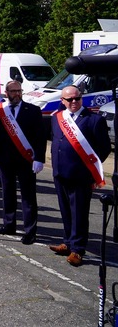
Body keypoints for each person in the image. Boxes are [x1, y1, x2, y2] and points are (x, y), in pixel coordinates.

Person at [48, 85, 111, 267]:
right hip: (60, 173)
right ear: (63, 101)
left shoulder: (94, 120)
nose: (74, 102)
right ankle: (67, 242)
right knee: (66, 210)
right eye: (69, 99)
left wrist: (92, 170)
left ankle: (77, 249)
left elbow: (104, 148)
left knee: (79, 213)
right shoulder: (58, 118)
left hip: (81, 175)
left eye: (77, 98)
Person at [0, 81, 45, 244]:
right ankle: (9, 224)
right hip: (5, 159)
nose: (17, 94)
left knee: (28, 196)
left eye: (19, 91)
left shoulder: (33, 110)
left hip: (26, 159)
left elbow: (40, 137)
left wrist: (39, 158)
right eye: (13, 91)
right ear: (6, 93)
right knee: (7, 193)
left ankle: (30, 230)